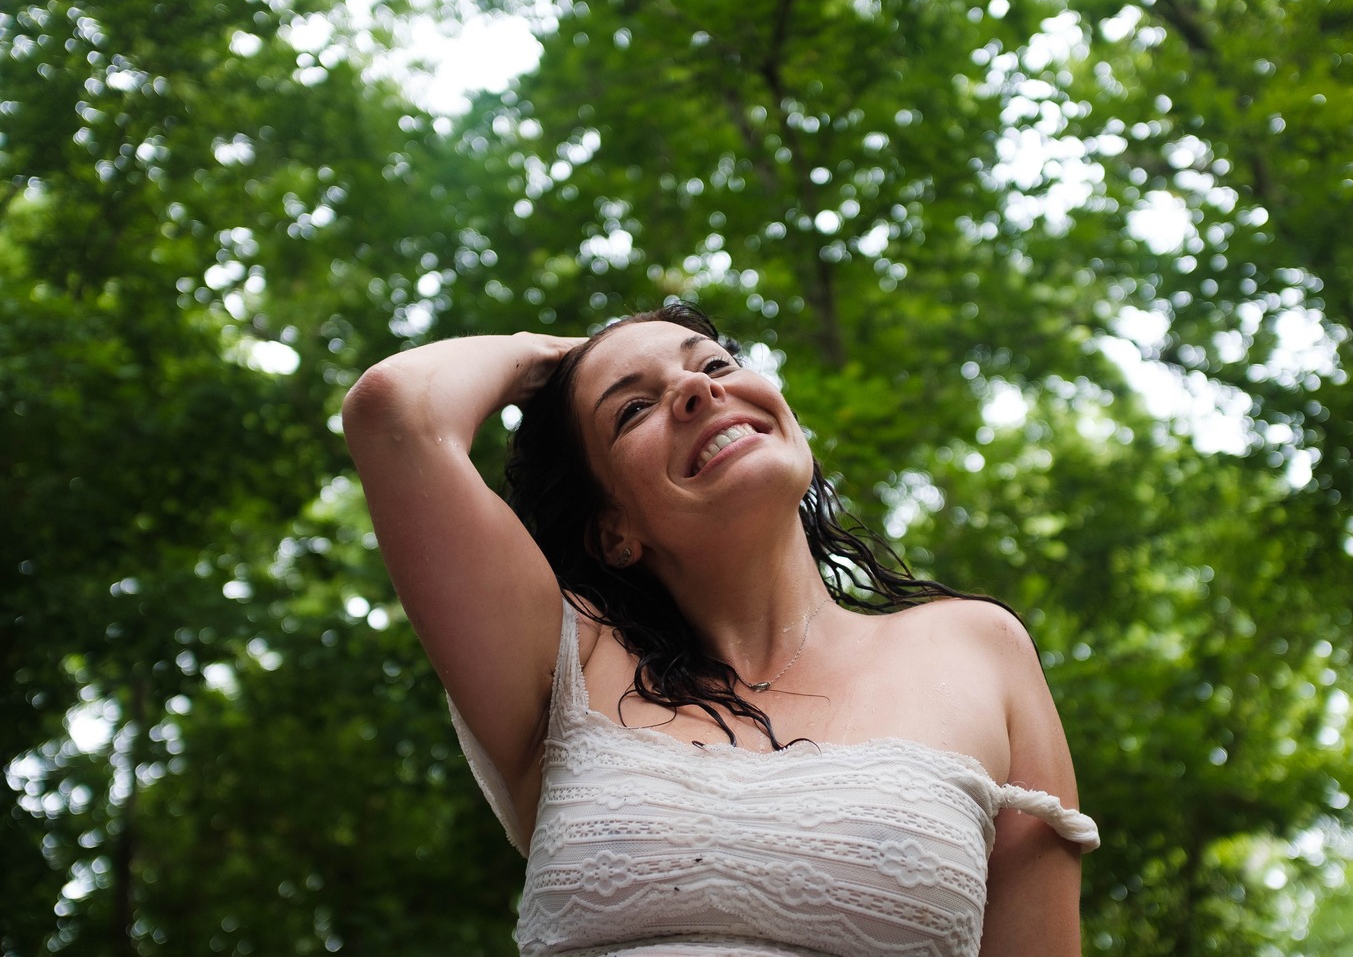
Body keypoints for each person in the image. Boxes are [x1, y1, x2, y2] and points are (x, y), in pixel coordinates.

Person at [342, 302, 1098, 956]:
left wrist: (627, 367)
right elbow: (394, 409)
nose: (699, 388)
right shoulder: (567, 657)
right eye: (632, 408)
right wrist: (553, 356)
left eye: (713, 362)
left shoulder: (978, 652)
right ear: (614, 531)